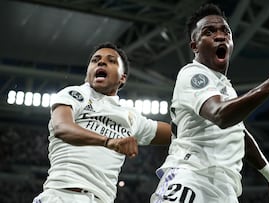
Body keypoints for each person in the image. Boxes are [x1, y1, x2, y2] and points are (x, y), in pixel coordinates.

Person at [151, 4, 269, 203]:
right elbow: (220, 115)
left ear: (231, 42)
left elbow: (239, 134)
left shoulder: (225, 88)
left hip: (224, 189)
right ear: (194, 46)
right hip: (190, 177)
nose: (220, 36)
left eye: (225, 31)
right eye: (209, 32)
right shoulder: (192, 74)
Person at [33, 42, 171, 203]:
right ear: (88, 73)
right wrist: (108, 141)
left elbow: (177, 132)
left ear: (122, 77)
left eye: (111, 60)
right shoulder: (75, 94)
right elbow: (61, 128)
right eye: (95, 60)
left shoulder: (131, 117)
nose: (101, 62)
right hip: (62, 196)